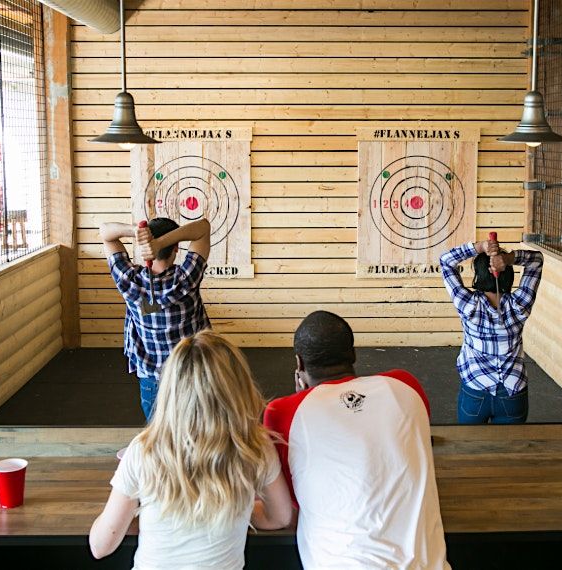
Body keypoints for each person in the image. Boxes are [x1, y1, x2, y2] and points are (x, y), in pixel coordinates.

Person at [89, 331, 293, 568]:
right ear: (238, 387)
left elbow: (100, 546)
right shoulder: (255, 447)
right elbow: (280, 517)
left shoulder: (144, 449)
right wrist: (234, 510)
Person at [263, 311, 450, 569]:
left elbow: (289, 509)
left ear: (299, 365)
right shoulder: (406, 386)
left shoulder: (282, 412)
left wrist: (303, 397)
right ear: (353, 354)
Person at [99, 218, 211, 419]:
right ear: (176, 248)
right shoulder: (186, 279)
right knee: (197, 435)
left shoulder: (129, 282)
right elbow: (203, 228)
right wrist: (159, 242)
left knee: (159, 440)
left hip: (152, 378)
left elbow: (106, 232)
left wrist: (136, 232)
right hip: (192, 375)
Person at [439, 238, 543, 424]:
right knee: (508, 449)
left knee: (470, 445)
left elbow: (446, 261)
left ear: (479, 275)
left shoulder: (468, 305)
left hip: (475, 390)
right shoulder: (520, 305)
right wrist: (509, 258)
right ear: (507, 274)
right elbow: (536, 260)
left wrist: (479, 247)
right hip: (512, 393)